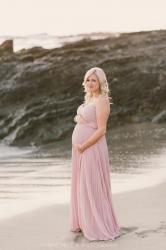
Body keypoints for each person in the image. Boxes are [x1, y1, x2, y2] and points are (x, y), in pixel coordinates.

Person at [69, 67, 121, 241]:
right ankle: (85, 222)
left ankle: (98, 225)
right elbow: (86, 119)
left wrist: (84, 145)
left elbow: (102, 130)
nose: (90, 83)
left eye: (94, 80)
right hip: (81, 149)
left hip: (91, 148)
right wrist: (79, 120)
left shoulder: (102, 100)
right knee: (82, 185)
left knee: (92, 185)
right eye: (88, 80)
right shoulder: (90, 98)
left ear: (101, 82)